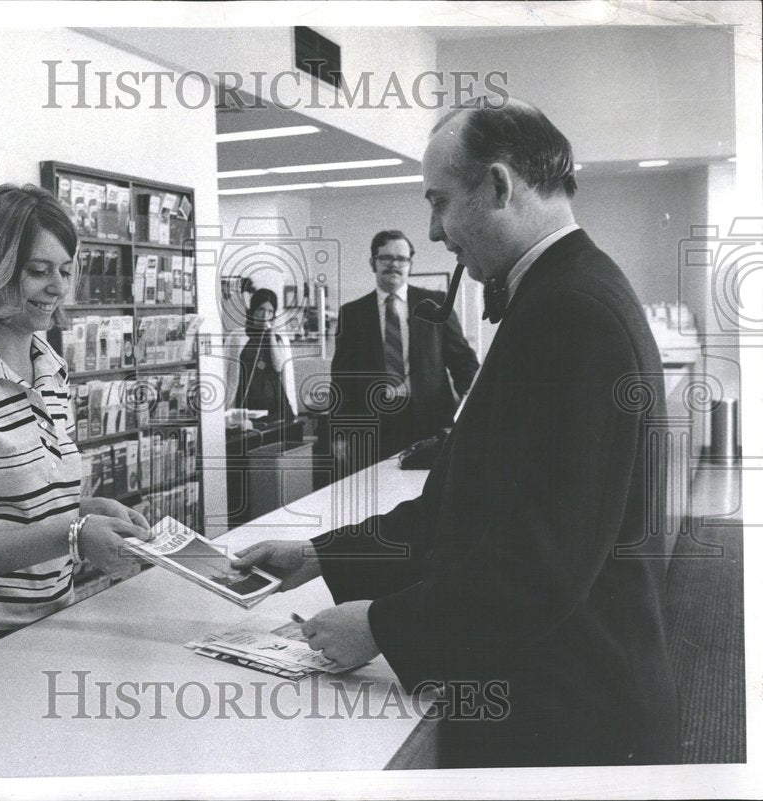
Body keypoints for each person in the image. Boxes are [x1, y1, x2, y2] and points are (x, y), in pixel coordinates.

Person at [234, 100, 680, 768]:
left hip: (572, 723)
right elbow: (464, 509)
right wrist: (322, 555)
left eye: (440, 203)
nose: (436, 232)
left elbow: (542, 564)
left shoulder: (571, 314)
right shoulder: (563, 293)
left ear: (499, 186)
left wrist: (383, 626)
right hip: (562, 700)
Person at [0, 183, 151, 673]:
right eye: (38, 271)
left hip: (51, 618)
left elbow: (17, 505)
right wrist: (73, 535)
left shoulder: (51, 370)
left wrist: (87, 509)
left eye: (64, 270)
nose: (57, 287)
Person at [329, 230, 478, 470]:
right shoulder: (352, 313)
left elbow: (462, 361)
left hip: (430, 420)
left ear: (410, 264)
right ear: (373, 263)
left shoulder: (436, 304)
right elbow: (341, 379)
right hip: (375, 425)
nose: (394, 265)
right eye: (386, 258)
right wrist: (339, 433)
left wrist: (474, 404)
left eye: (402, 259)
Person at [224, 288, 299, 425]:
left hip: (274, 403)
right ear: (252, 311)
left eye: (270, 312)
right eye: (261, 310)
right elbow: (227, 371)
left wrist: (270, 334)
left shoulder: (278, 338)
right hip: (247, 399)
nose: (265, 315)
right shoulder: (238, 337)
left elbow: (278, 367)